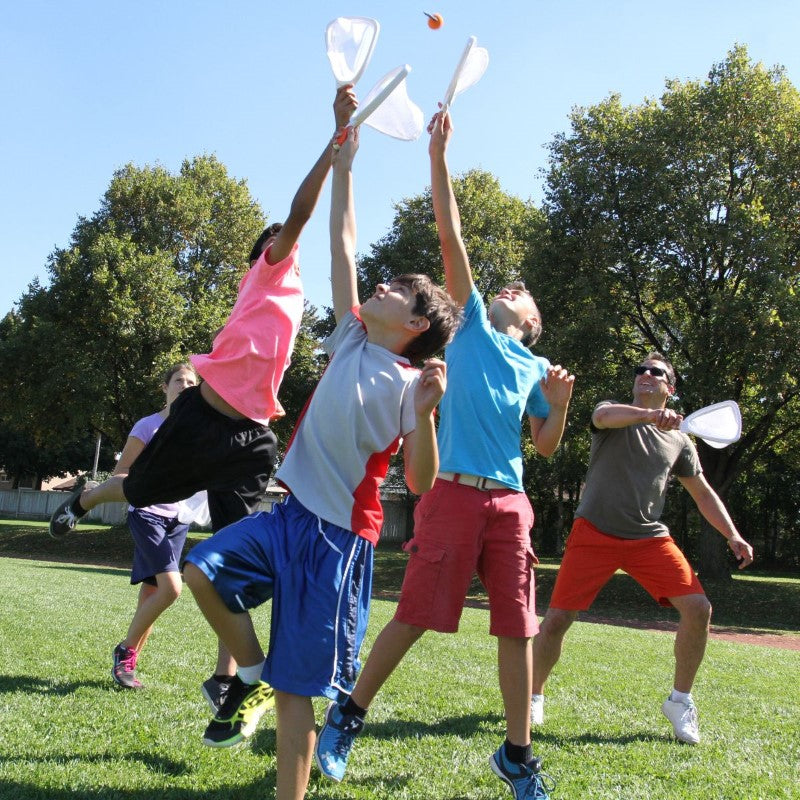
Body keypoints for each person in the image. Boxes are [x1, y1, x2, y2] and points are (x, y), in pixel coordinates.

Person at [49, 84, 358, 720]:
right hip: (201, 421)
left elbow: (334, 235)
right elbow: (300, 215)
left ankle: (230, 681)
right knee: (134, 489)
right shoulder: (269, 271)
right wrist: (332, 145)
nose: (289, 240)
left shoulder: (298, 295)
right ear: (265, 253)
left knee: (237, 555)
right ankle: (82, 497)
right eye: (280, 237)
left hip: (249, 439)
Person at [183, 124, 460, 800]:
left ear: (416, 324)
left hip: (337, 543)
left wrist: (423, 416)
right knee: (200, 570)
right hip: (288, 516)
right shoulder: (350, 337)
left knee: (299, 690)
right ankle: (247, 671)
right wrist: (346, 162)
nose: (381, 286)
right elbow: (342, 241)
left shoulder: (407, 385)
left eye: (397, 287)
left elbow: (421, 482)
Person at [314, 110, 574, 800]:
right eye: (506, 290)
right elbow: (450, 234)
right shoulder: (469, 333)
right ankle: (349, 712)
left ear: (535, 323)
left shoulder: (534, 367)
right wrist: (439, 156)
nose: (509, 290)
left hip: (509, 502)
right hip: (453, 493)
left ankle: (516, 755)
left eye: (522, 295)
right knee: (417, 613)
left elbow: (544, 449)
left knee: (518, 629)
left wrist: (563, 402)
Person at [531, 353, 754, 744]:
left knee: (699, 608)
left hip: (648, 538)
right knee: (556, 621)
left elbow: (702, 493)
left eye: (657, 373)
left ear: (670, 388)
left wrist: (732, 534)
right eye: (641, 371)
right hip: (593, 533)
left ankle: (680, 701)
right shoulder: (610, 413)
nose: (646, 375)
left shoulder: (681, 440)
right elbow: (604, 417)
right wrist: (649, 416)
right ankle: (533, 694)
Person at [110, 362, 205, 689]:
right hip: (147, 514)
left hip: (177, 520)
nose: (184, 384)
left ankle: (128, 665)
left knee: (152, 594)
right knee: (172, 588)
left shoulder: (195, 432)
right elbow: (120, 474)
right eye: (178, 380)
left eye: (191, 381)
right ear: (165, 388)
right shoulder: (147, 426)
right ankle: (124, 651)